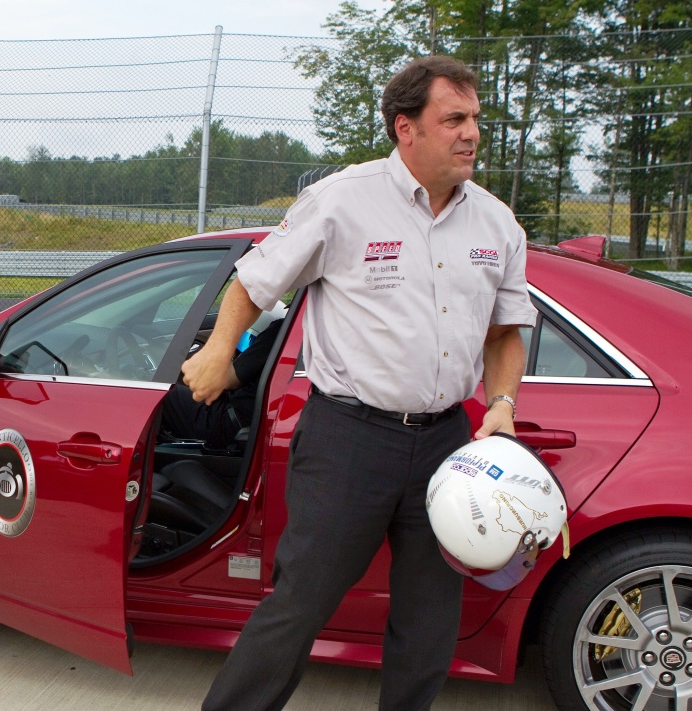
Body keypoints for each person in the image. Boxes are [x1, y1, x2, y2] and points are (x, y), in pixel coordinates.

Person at [183, 55, 537, 711]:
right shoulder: (343, 200)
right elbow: (256, 280)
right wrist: (218, 350)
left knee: (430, 620)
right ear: (407, 128)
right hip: (349, 437)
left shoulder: (495, 223)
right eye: (453, 119)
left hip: (447, 447)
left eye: (476, 119)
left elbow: (505, 332)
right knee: (301, 601)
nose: (471, 134)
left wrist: (503, 404)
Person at [160, 318, 282, 450]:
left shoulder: (280, 331)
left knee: (161, 392)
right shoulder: (294, 334)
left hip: (229, 421)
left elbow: (231, 379)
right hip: (248, 420)